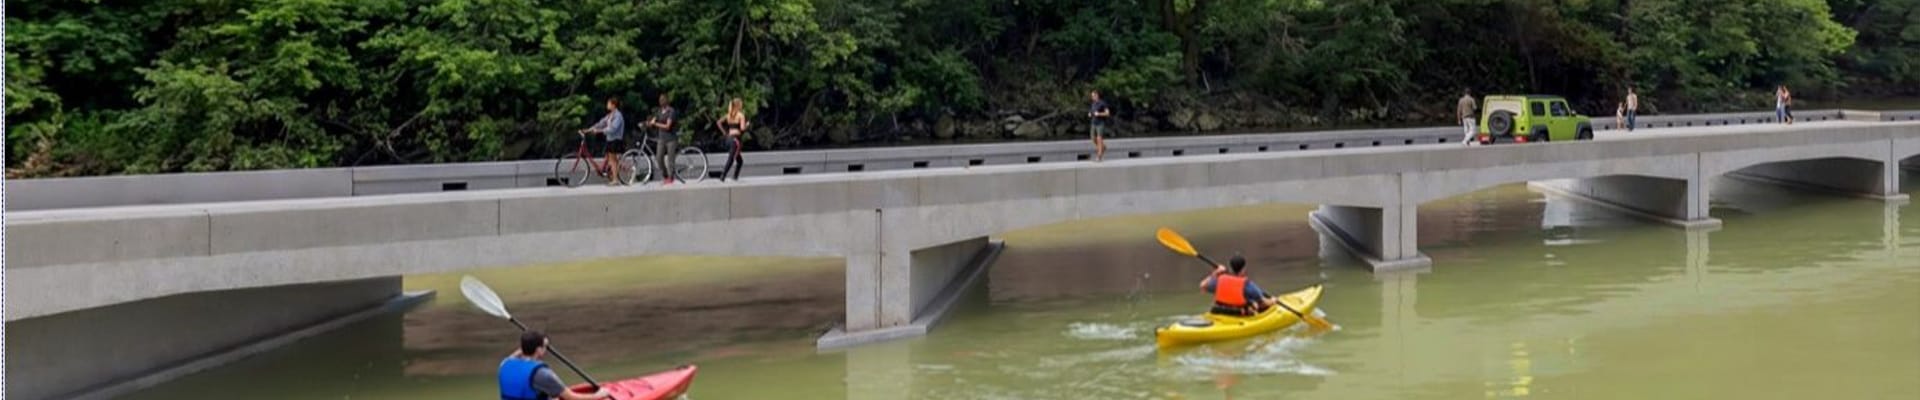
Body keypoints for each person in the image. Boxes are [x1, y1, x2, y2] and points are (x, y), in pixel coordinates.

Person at [499, 331, 608, 400]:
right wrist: (598, 395)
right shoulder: (541, 374)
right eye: (544, 347)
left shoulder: (504, 365)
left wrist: (536, 342)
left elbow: (518, 353)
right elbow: (571, 397)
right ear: (539, 350)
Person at [1198, 254, 1278, 316]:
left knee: (1254, 304)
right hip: (1238, 315)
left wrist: (1216, 272)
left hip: (1219, 312)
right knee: (1257, 305)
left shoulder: (1220, 279)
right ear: (1243, 268)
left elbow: (1202, 286)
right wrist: (1273, 301)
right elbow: (1264, 302)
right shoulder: (1248, 285)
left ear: (1231, 267)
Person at [578, 97, 626, 186]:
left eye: (608, 103)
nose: (607, 105)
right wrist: (588, 130)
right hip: (609, 139)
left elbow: (613, 129)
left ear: (613, 105)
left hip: (615, 139)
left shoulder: (618, 116)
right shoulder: (610, 115)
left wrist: (599, 131)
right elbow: (600, 123)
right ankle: (612, 174)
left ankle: (615, 180)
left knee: (613, 160)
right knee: (610, 158)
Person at [644, 93, 679, 184]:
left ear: (667, 101)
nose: (661, 101)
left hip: (671, 138)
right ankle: (665, 174)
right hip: (661, 138)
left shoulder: (671, 111)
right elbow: (654, 120)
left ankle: (671, 177)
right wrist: (648, 123)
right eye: (660, 99)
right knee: (659, 158)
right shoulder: (659, 112)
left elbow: (668, 126)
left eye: (663, 99)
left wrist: (655, 124)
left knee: (670, 160)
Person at [715, 97, 750, 182]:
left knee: (739, 160)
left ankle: (735, 177)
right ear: (738, 105)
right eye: (741, 104)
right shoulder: (740, 115)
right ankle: (723, 175)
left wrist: (724, 133)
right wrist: (747, 125)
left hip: (728, 139)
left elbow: (718, 122)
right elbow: (742, 128)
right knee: (731, 158)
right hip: (736, 140)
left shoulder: (729, 114)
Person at [1088, 90, 1111, 161]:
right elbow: (1092, 111)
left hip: (1100, 123)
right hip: (1093, 123)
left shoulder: (1102, 103)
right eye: (1091, 96)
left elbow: (1107, 113)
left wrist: (1099, 114)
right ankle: (1103, 147)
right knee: (1092, 138)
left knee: (1099, 138)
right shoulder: (1093, 104)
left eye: (1093, 96)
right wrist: (1090, 113)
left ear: (1097, 95)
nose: (1092, 97)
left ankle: (1099, 156)